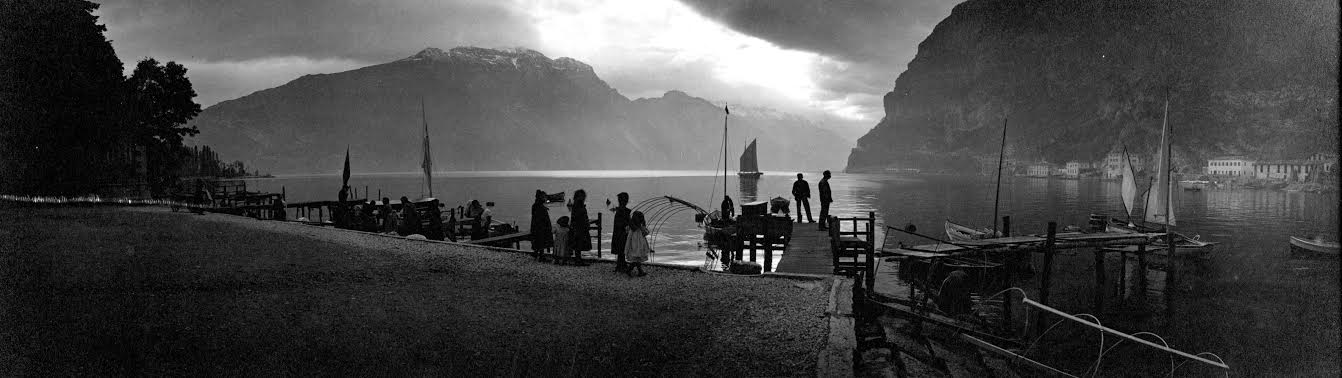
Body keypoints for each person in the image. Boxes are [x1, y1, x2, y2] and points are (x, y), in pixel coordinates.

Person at [623, 211, 652, 277]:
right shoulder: (639, 228)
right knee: (636, 259)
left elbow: (626, 231)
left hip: (633, 246)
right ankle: (630, 270)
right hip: (638, 246)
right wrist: (644, 225)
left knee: (636, 259)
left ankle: (639, 271)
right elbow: (646, 232)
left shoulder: (631, 228)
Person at [568, 189, 592, 266]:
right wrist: (586, 223)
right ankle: (578, 261)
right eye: (583, 196)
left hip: (579, 227)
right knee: (578, 244)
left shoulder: (577, 205)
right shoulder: (578, 205)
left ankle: (578, 260)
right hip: (579, 228)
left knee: (578, 245)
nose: (584, 197)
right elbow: (580, 217)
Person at [610, 192, 631, 273]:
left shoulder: (621, 210)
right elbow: (620, 224)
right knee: (621, 250)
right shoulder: (621, 211)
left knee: (621, 251)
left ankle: (622, 264)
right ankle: (620, 266)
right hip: (621, 234)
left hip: (620, 233)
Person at [531, 191, 554, 261]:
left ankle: (537, 254)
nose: (545, 198)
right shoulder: (539, 207)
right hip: (541, 227)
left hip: (536, 226)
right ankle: (541, 256)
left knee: (538, 240)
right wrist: (548, 226)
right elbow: (543, 218)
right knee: (541, 240)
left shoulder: (536, 205)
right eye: (544, 197)